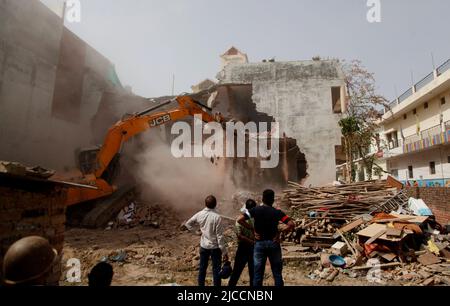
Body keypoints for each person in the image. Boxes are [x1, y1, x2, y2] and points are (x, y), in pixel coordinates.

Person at [237, 189, 295, 287]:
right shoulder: (277, 212)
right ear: (272, 200)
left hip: (259, 244)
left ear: (262, 199)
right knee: (277, 274)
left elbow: (239, 219)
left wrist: (252, 229)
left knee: (258, 275)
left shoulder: (255, 210)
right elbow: (291, 224)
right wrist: (280, 232)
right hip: (274, 244)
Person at [183, 195, 228, 286]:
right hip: (215, 247)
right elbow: (219, 236)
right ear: (215, 204)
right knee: (216, 270)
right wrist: (224, 252)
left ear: (205, 204)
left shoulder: (199, 214)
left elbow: (188, 224)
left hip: (204, 246)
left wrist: (196, 232)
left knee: (202, 269)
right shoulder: (217, 217)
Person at [228, 199, 257, 287]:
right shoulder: (257, 219)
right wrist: (253, 242)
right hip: (253, 248)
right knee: (253, 273)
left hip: (243, 248)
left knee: (236, 271)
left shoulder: (239, 219)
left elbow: (240, 236)